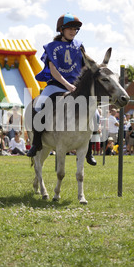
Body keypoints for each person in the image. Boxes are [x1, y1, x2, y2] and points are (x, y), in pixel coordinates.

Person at [27, 12, 96, 165]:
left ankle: (89, 150)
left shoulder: (79, 46)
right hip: (56, 85)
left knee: (95, 113)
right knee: (39, 106)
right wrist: (67, 85)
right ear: (61, 29)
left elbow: (85, 68)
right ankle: (36, 142)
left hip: (77, 89)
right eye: (70, 28)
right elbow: (53, 70)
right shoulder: (51, 47)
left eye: (75, 29)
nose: (73, 31)